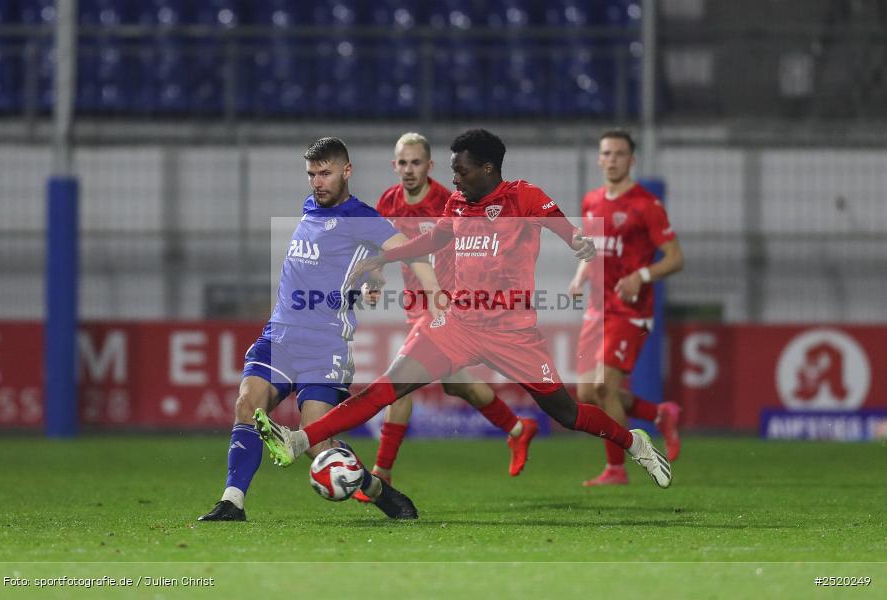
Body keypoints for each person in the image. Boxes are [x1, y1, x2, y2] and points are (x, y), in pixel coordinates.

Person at [253, 129, 673, 495]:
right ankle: (298, 441)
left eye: (462, 170)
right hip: (458, 324)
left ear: (488, 169)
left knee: (567, 413)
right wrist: (381, 259)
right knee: (384, 389)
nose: (454, 179)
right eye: (453, 170)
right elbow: (433, 241)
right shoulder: (456, 203)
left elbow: (564, 227)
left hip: (512, 333)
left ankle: (634, 443)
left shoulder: (523, 196)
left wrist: (577, 240)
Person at [197, 137, 437, 521]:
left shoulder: (362, 217)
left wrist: (434, 293)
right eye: (311, 174)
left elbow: (411, 249)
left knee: (315, 441)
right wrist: (370, 275)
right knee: (247, 404)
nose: (317, 182)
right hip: (279, 335)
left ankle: (376, 489)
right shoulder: (311, 206)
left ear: (347, 171)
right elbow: (342, 258)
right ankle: (232, 501)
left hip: (325, 345)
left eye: (325, 173)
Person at [353, 133, 538, 502]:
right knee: (456, 384)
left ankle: (381, 473)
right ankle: (518, 429)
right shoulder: (388, 201)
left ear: (429, 166)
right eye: (403, 163)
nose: (409, 169)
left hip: (448, 303)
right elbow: (381, 246)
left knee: (399, 381)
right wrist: (374, 279)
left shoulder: (447, 199)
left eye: (416, 162)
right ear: (394, 166)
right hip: (415, 304)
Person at [569, 129, 684, 487]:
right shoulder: (591, 201)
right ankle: (658, 414)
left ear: (632, 160)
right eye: (607, 153)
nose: (612, 159)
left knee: (604, 387)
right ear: (599, 159)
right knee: (586, 394)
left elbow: (675, 258)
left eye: (620, 154)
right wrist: (579, 276)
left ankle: (616, 468)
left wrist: (642, 275)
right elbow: (592, 249)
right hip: (597, 308)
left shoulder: (646, 205)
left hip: (630, 310)